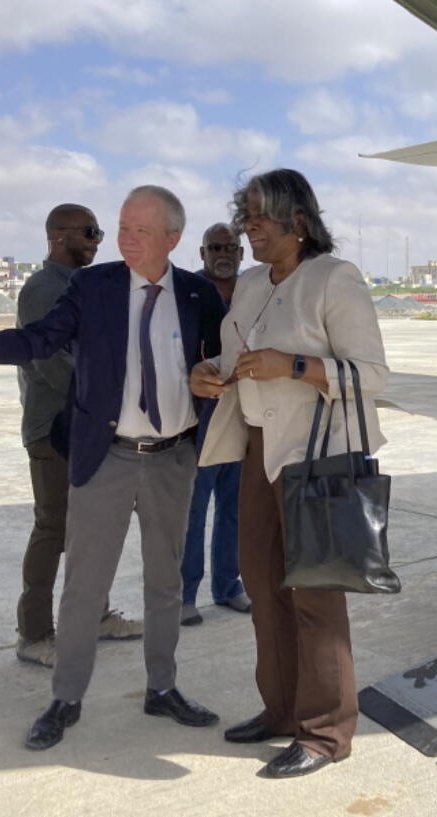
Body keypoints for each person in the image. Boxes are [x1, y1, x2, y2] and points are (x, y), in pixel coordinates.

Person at [0, 185, 224, 751]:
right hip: (106, 458)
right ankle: (66, 698)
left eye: (139, 230)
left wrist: (214, 377)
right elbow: (39, 339)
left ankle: (163, 688)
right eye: (122, 227)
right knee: (85, 587)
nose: (126, 238)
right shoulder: (93, 286)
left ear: (172, 239)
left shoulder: (198, 294)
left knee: (166, 582)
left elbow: (219, 357)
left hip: (173, 459)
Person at [191, 169, 388, 778]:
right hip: (257, 450)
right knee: (265, 588)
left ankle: (326, 732)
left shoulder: (334, 278)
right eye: (244, 217)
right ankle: (280, 712)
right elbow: (234, 359)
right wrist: (208, 374)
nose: (247, 230)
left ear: (296, 223)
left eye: (257, 219)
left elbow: (372, 376)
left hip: (317, 454)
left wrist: (296, 364)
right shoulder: (251, 285)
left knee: (315, 598)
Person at [14, 203, 143, 667]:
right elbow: (47, 361)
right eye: (89, 232)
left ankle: (98, 614)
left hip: (92, 427)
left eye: (98, 232)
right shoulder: (41, 290)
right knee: (53, 528)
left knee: (96, 528)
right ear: (58, 235)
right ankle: (34, 633)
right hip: (55, 429)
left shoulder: (85, 288)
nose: (96, 240)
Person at [180, 222, 251, 626]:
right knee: (193, 509)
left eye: (231, 248)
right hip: (198, 417)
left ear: (242, 254)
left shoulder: (253, 290)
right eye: (215, 247)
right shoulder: (187, 292)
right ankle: (184, 595)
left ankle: (228, 586)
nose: (223, 254)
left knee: (234, 507)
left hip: (243, 412)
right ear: (203, 252)